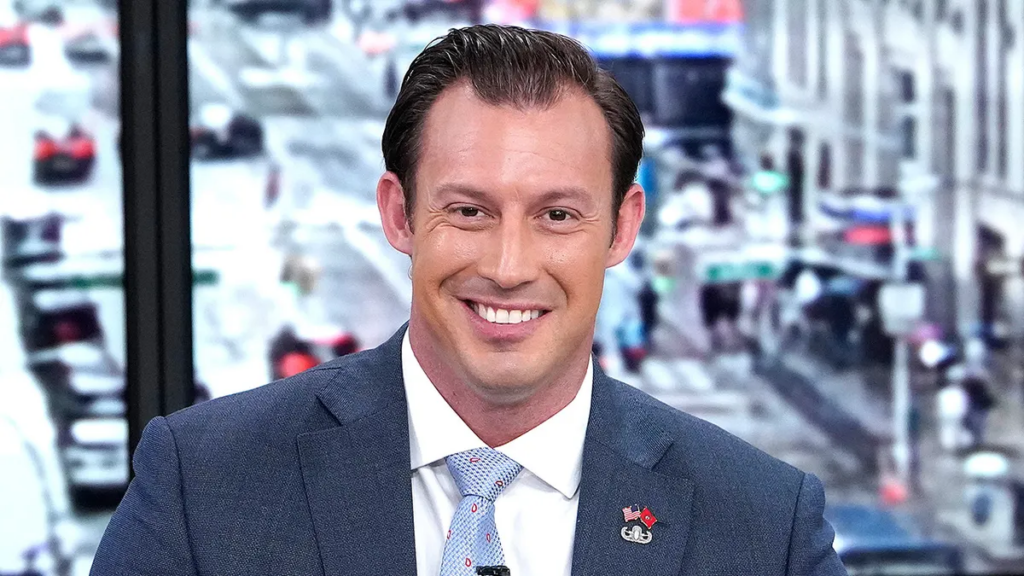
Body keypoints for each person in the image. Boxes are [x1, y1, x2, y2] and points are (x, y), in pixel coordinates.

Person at [90, 25, 847, 575]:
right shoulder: (205, 483)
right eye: (469, 211)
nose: (509, 267)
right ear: (399, 215)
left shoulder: (763, 528)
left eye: (557, 215)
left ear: (622, 229)